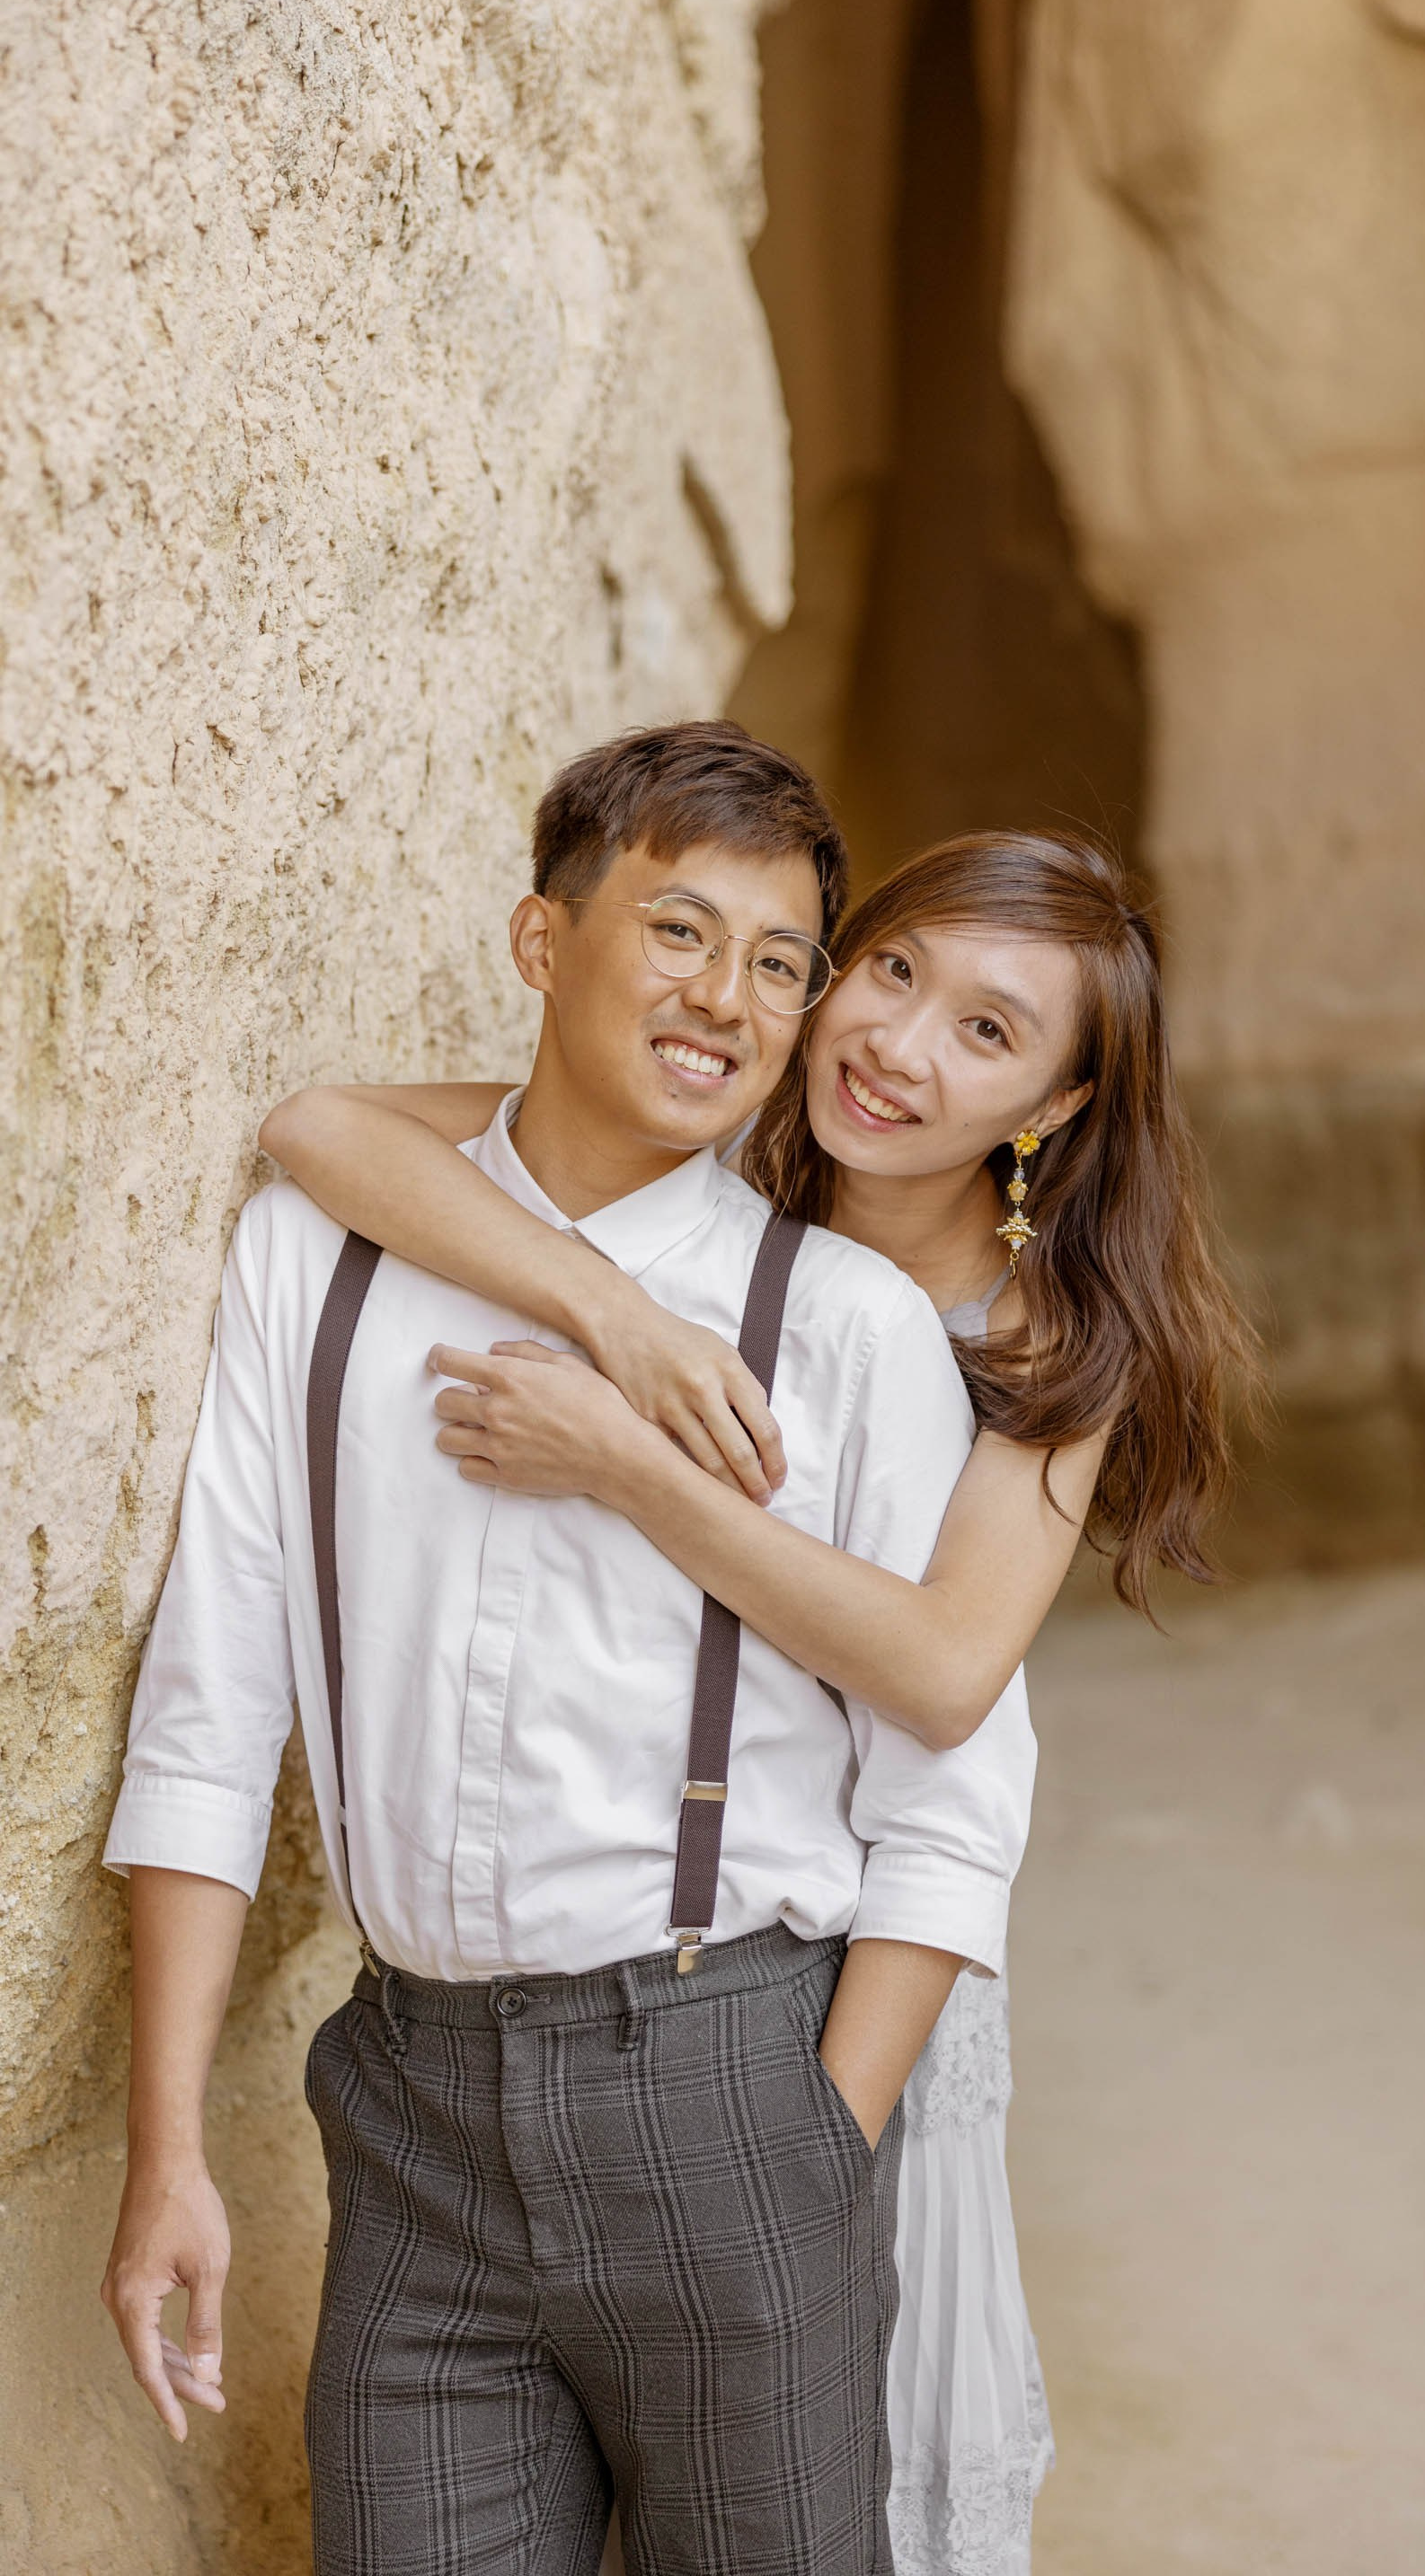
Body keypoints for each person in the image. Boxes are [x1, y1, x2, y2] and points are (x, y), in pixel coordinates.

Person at [259, 820, 1256, 2575]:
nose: (898, 1045)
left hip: (840, 1998)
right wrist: (609, 1313)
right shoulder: (694, 1176)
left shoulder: (1037, 1343)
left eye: (986, 1033)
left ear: (1052, 1109)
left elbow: (947, 1682)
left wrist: (822, 2138)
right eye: (888, 972)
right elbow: (319, 1129)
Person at [100, 722, 1039, 2576]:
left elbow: (946, 1801)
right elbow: (210, 1717)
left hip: (727, 2080)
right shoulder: (321, 1260)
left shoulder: (841, 1325)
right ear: (543, 944)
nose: (728, 999)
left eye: (778, 964)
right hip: (413, 2114)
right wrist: (163, 2151)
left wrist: (810, 2161)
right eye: (678, 933)